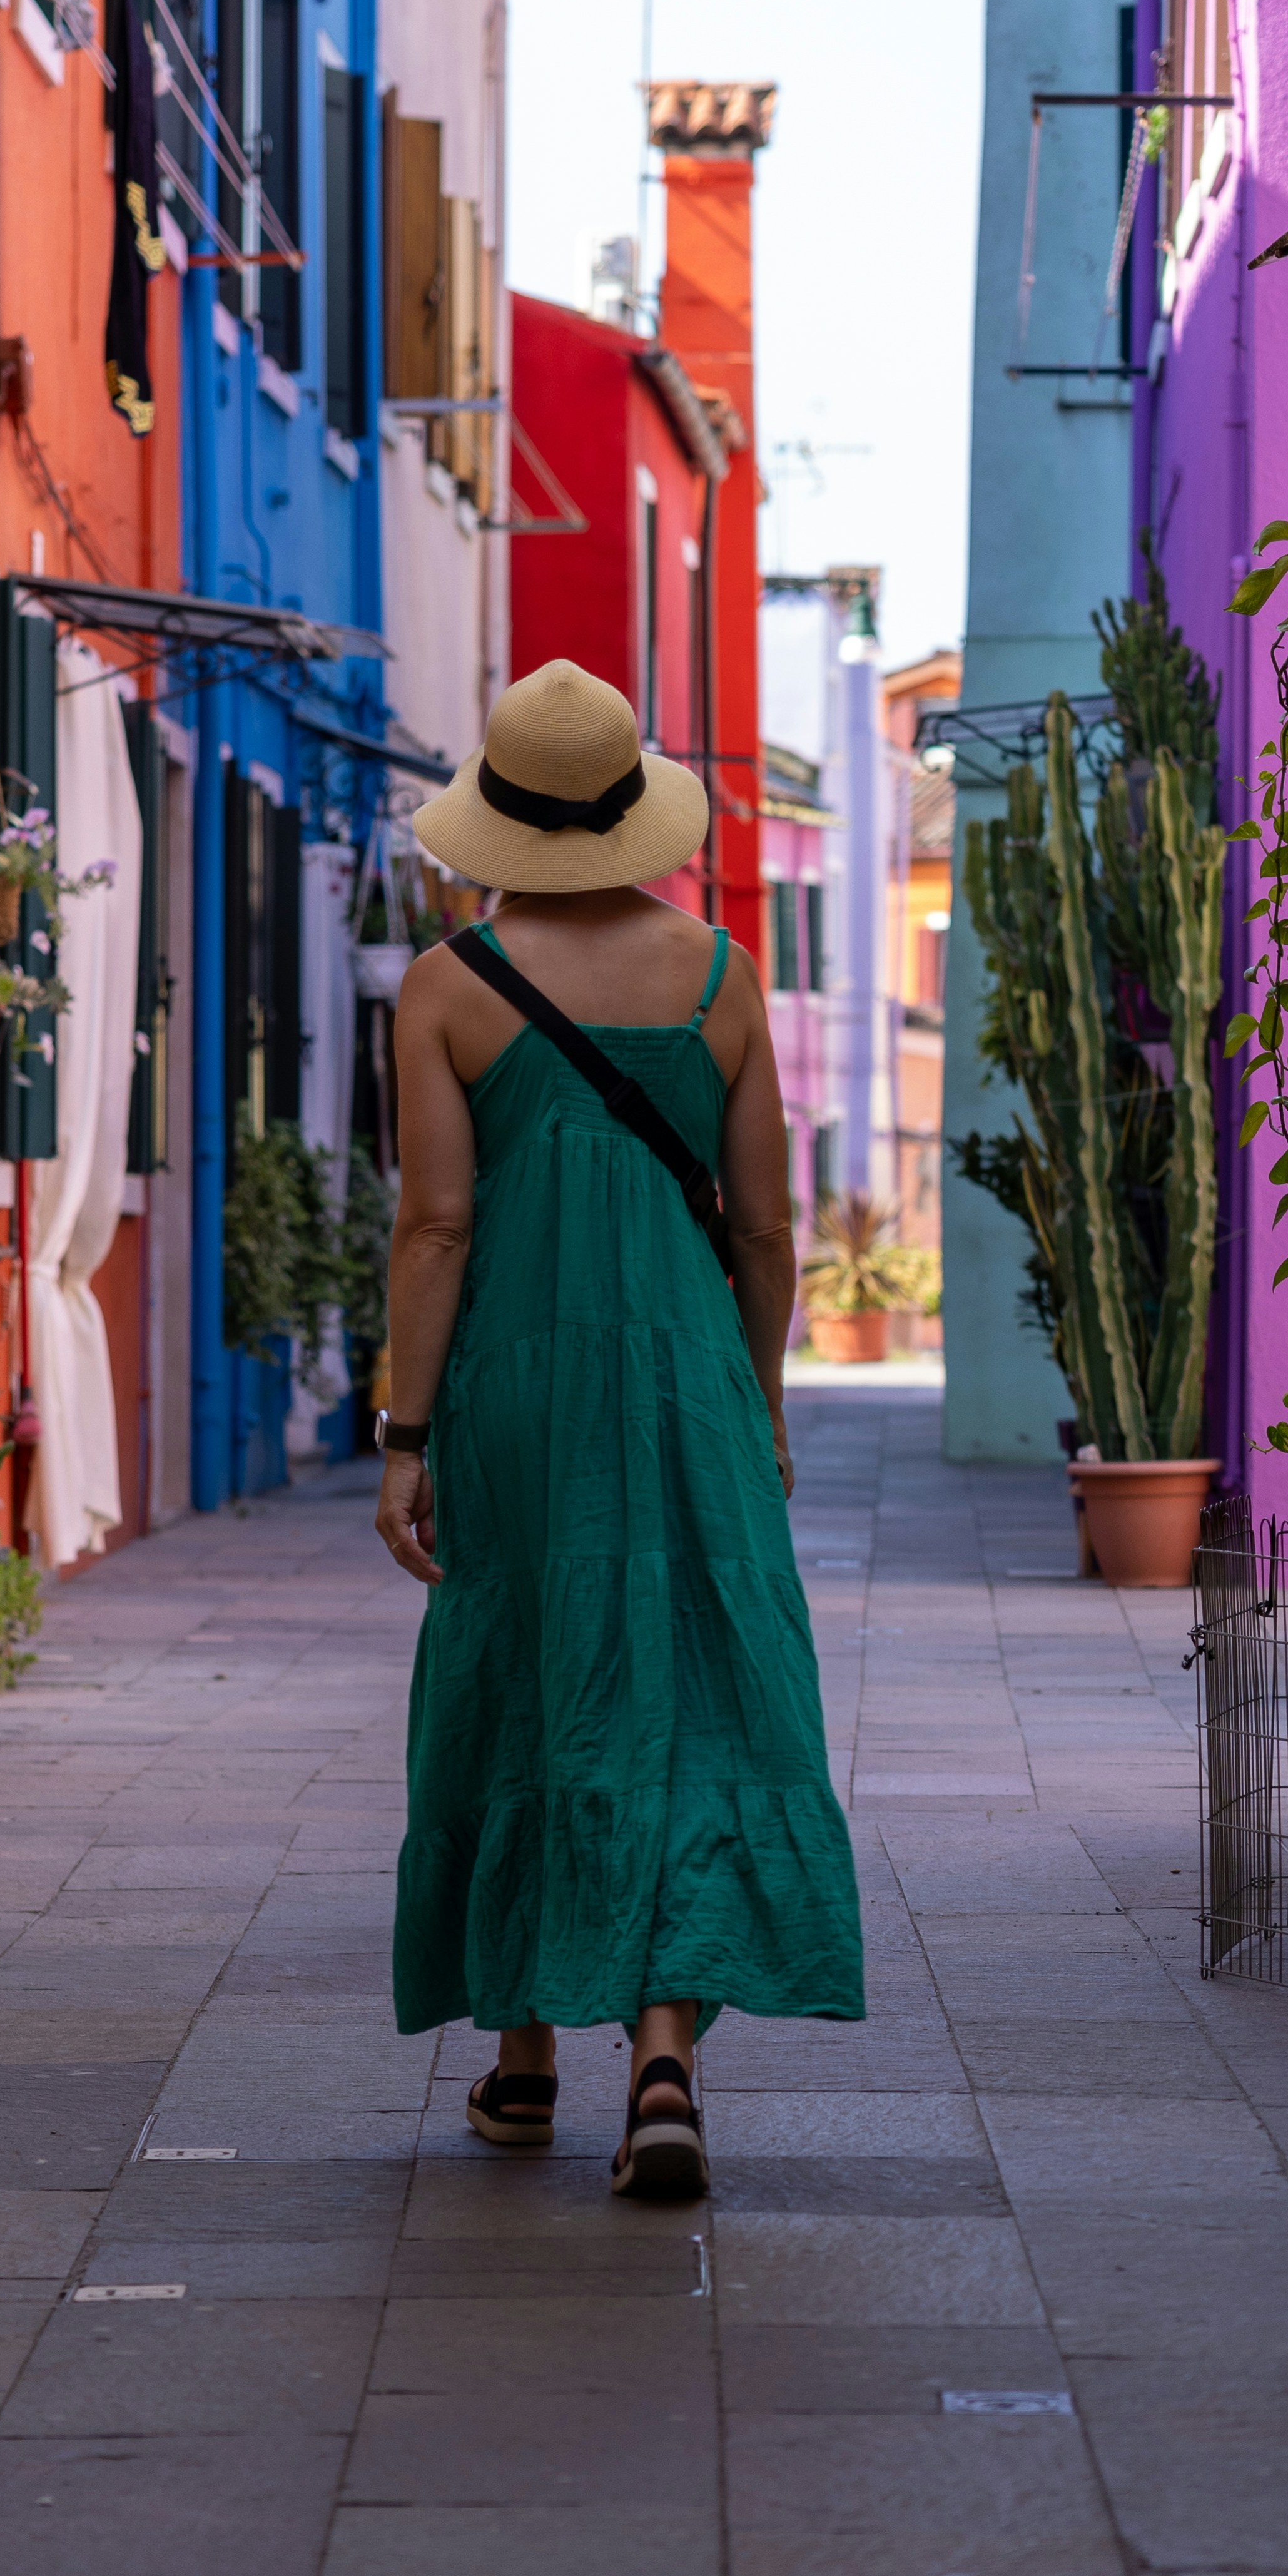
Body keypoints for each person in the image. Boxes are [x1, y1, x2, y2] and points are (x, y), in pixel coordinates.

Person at [373, 658, 865, 2199]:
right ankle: (664, 2051)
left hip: (513, 1382)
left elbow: (436, 1229)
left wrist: (403, 1433)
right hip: (686, 1379)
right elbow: (771, 1232)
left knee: (520, 1662)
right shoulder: (719, 978)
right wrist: (762, 1398)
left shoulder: (449, 988)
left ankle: (522, 2070)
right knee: (697, 1684)